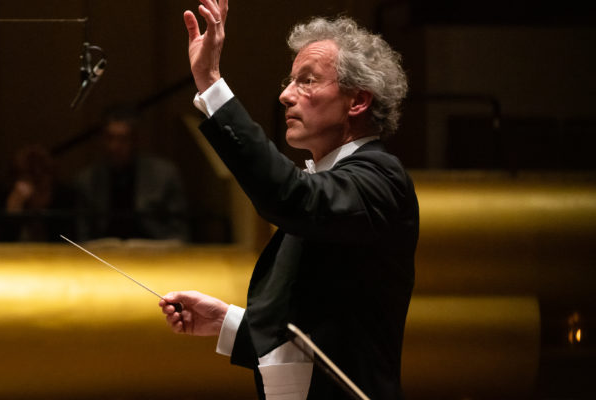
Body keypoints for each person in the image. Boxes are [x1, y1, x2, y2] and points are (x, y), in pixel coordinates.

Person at [159, 1, 418, 399]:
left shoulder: (379, 179)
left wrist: (212, 84)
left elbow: (293, 198)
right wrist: (224, 322)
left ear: (358, 101)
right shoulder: (330, 186)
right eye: (290, 80)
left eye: (307, 81)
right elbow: (316, 328)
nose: (284, 95)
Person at [74, 105, 189, 242]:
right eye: (110, 138)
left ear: (135, 141)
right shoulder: (87, 179)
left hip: (154, 255)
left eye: (122, 139)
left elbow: (179, 233)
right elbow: (82, 236)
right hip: (103, 257)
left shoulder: (164, 174)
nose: (114, 146)